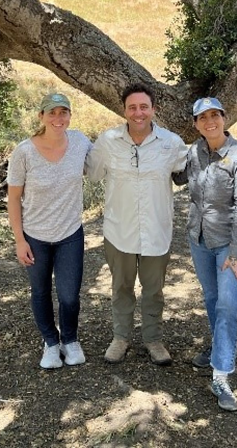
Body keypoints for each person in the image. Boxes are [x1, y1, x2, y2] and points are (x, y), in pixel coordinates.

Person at [87, 82, 188, 365]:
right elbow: (91, 173)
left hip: (157, 230)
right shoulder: (108, 142)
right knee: (121, 286)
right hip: (119, 230)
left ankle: (154, 340)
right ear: (124, 111)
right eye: (132, 107)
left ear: (154, 110)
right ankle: (121, 338)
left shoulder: (172, 143)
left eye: (144, 107)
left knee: (154, 289)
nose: (138, 113)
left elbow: (188, 169)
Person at [173, 97, 237, 411]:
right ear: (195, 124)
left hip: (231, 244)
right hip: (199, 238)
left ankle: (220, 376)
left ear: (224, 118)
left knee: (228, 304)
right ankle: (215, 346)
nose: (210, 121)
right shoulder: (194, 152)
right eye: (202, 117)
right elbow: (179, 178)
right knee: (211, 299)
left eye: (215, 115)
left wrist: (236, 253)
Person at [7, 92, 92, 369]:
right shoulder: (24, 152)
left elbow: (106, 162)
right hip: (35, 235)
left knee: (69, 294)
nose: (58, 118)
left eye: (63, 112)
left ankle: (70, 339)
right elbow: (13, 198)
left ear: (69, 116)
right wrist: (20, 240)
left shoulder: (80, 142)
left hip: (70, 234)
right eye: (52, 112)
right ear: (41, 116)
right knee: (40, 291)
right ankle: (51, 343)